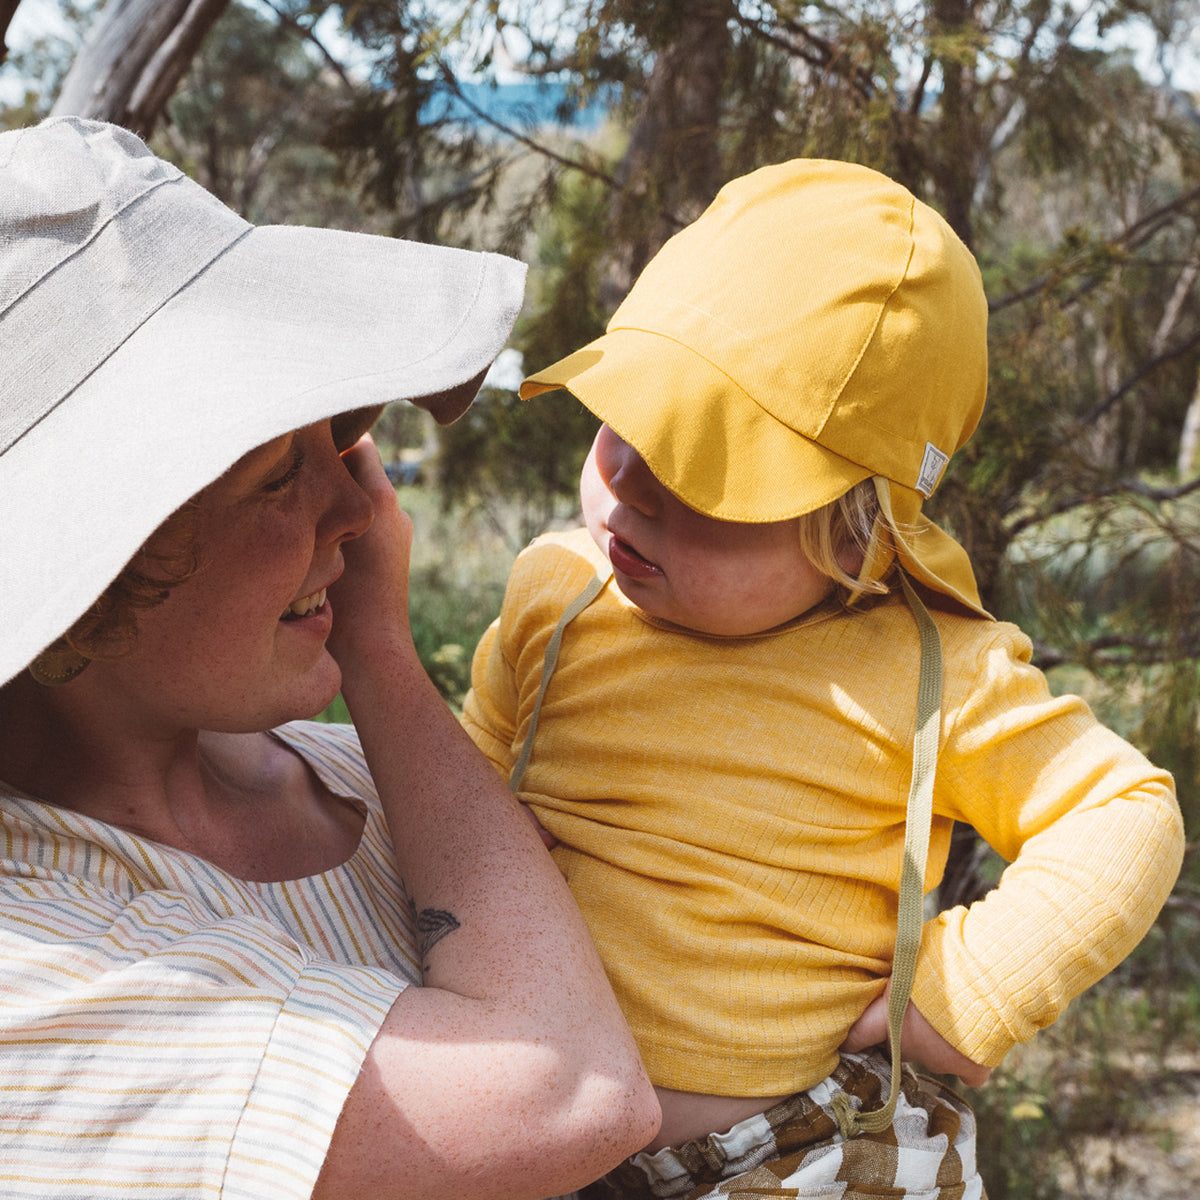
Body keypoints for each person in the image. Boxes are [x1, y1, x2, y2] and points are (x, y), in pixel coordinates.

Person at [462, 159, 1186, 1198]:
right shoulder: (557, 592)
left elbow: (1125, 810)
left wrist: (968, 990)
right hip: (526, 1135)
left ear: (859, 531)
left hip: (788, 1154)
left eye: (704, 471)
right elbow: (471, 784)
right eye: (626, 419)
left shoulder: (932, 670)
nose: (622, 480)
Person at [0, 116, 660, 1200]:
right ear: (81, 570)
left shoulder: (360, 781)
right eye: (274, 473)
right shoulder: (40, 963)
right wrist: (386, 664)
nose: (364, 506)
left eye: (336, 439)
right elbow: (572, 1095)